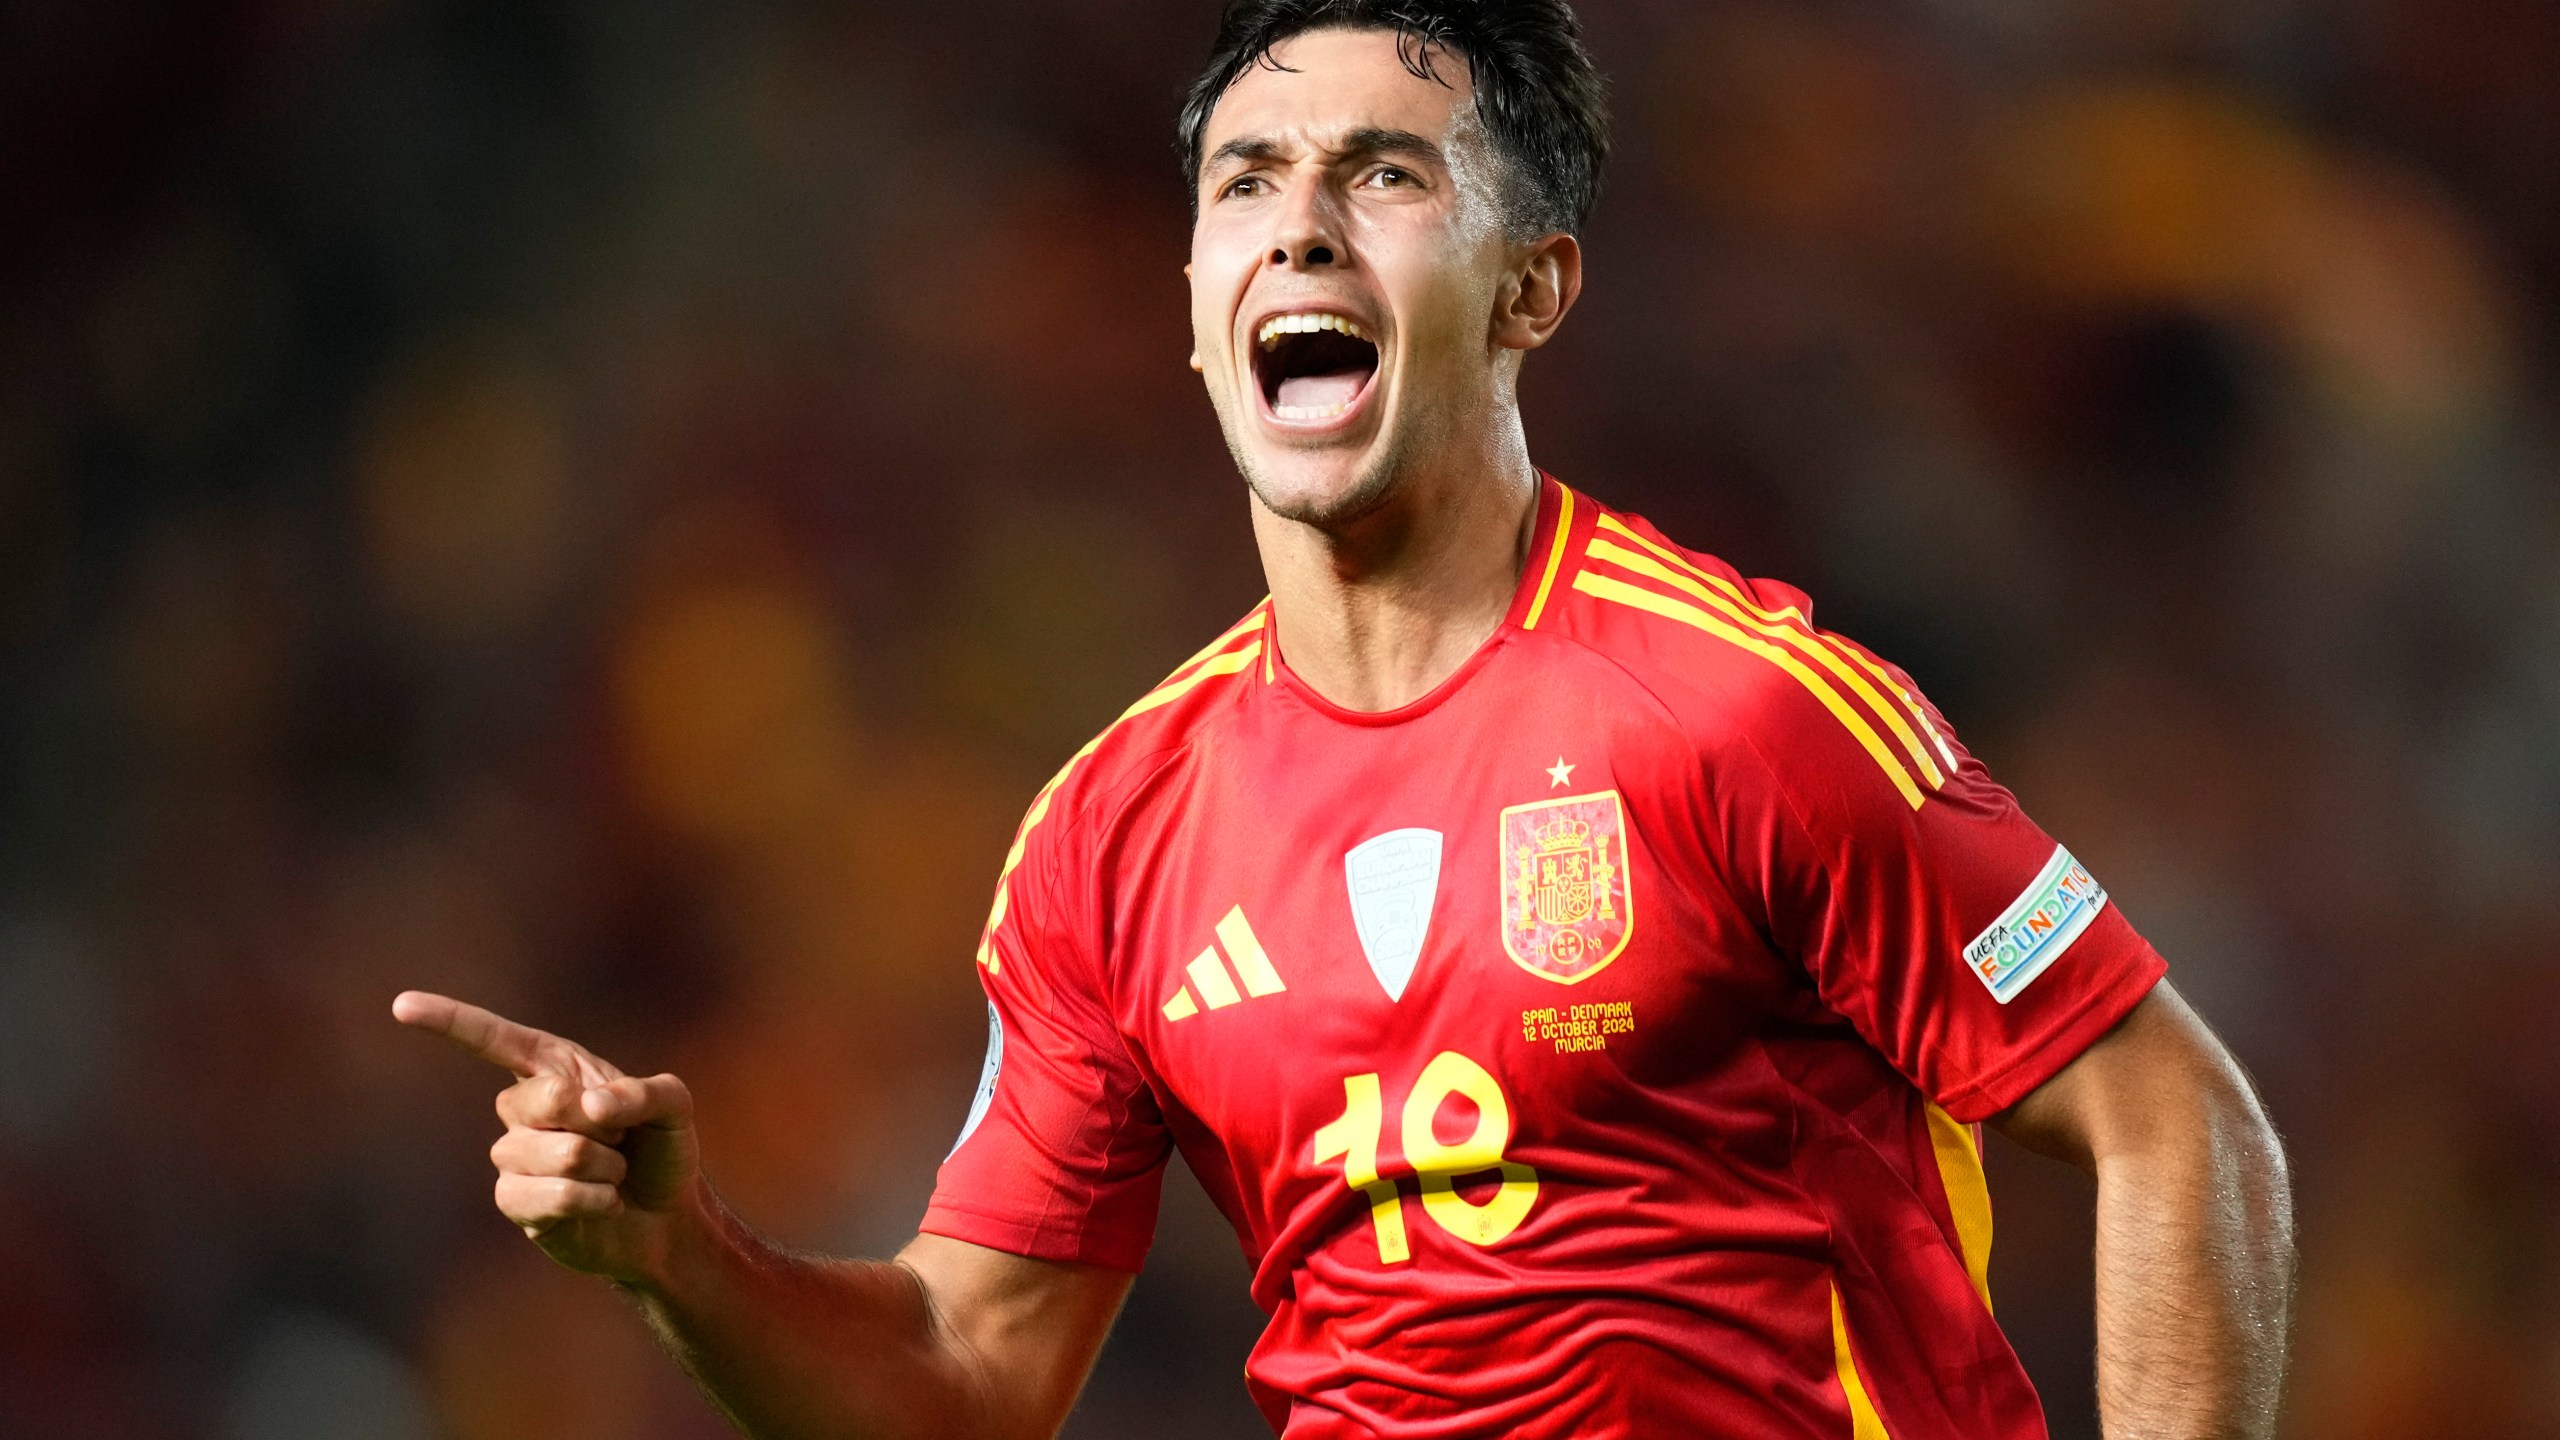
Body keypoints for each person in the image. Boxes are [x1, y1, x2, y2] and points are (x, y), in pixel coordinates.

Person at [395, 3, 2295, 1436]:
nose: (1300, 226)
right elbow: (969, 1372)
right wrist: (682, 1255)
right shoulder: (1110, 835)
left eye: (1383, 174)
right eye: (1248, 183)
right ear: (1203, 304)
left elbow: (2179, 1127)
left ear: (1532, 287)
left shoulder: (1741, 710)